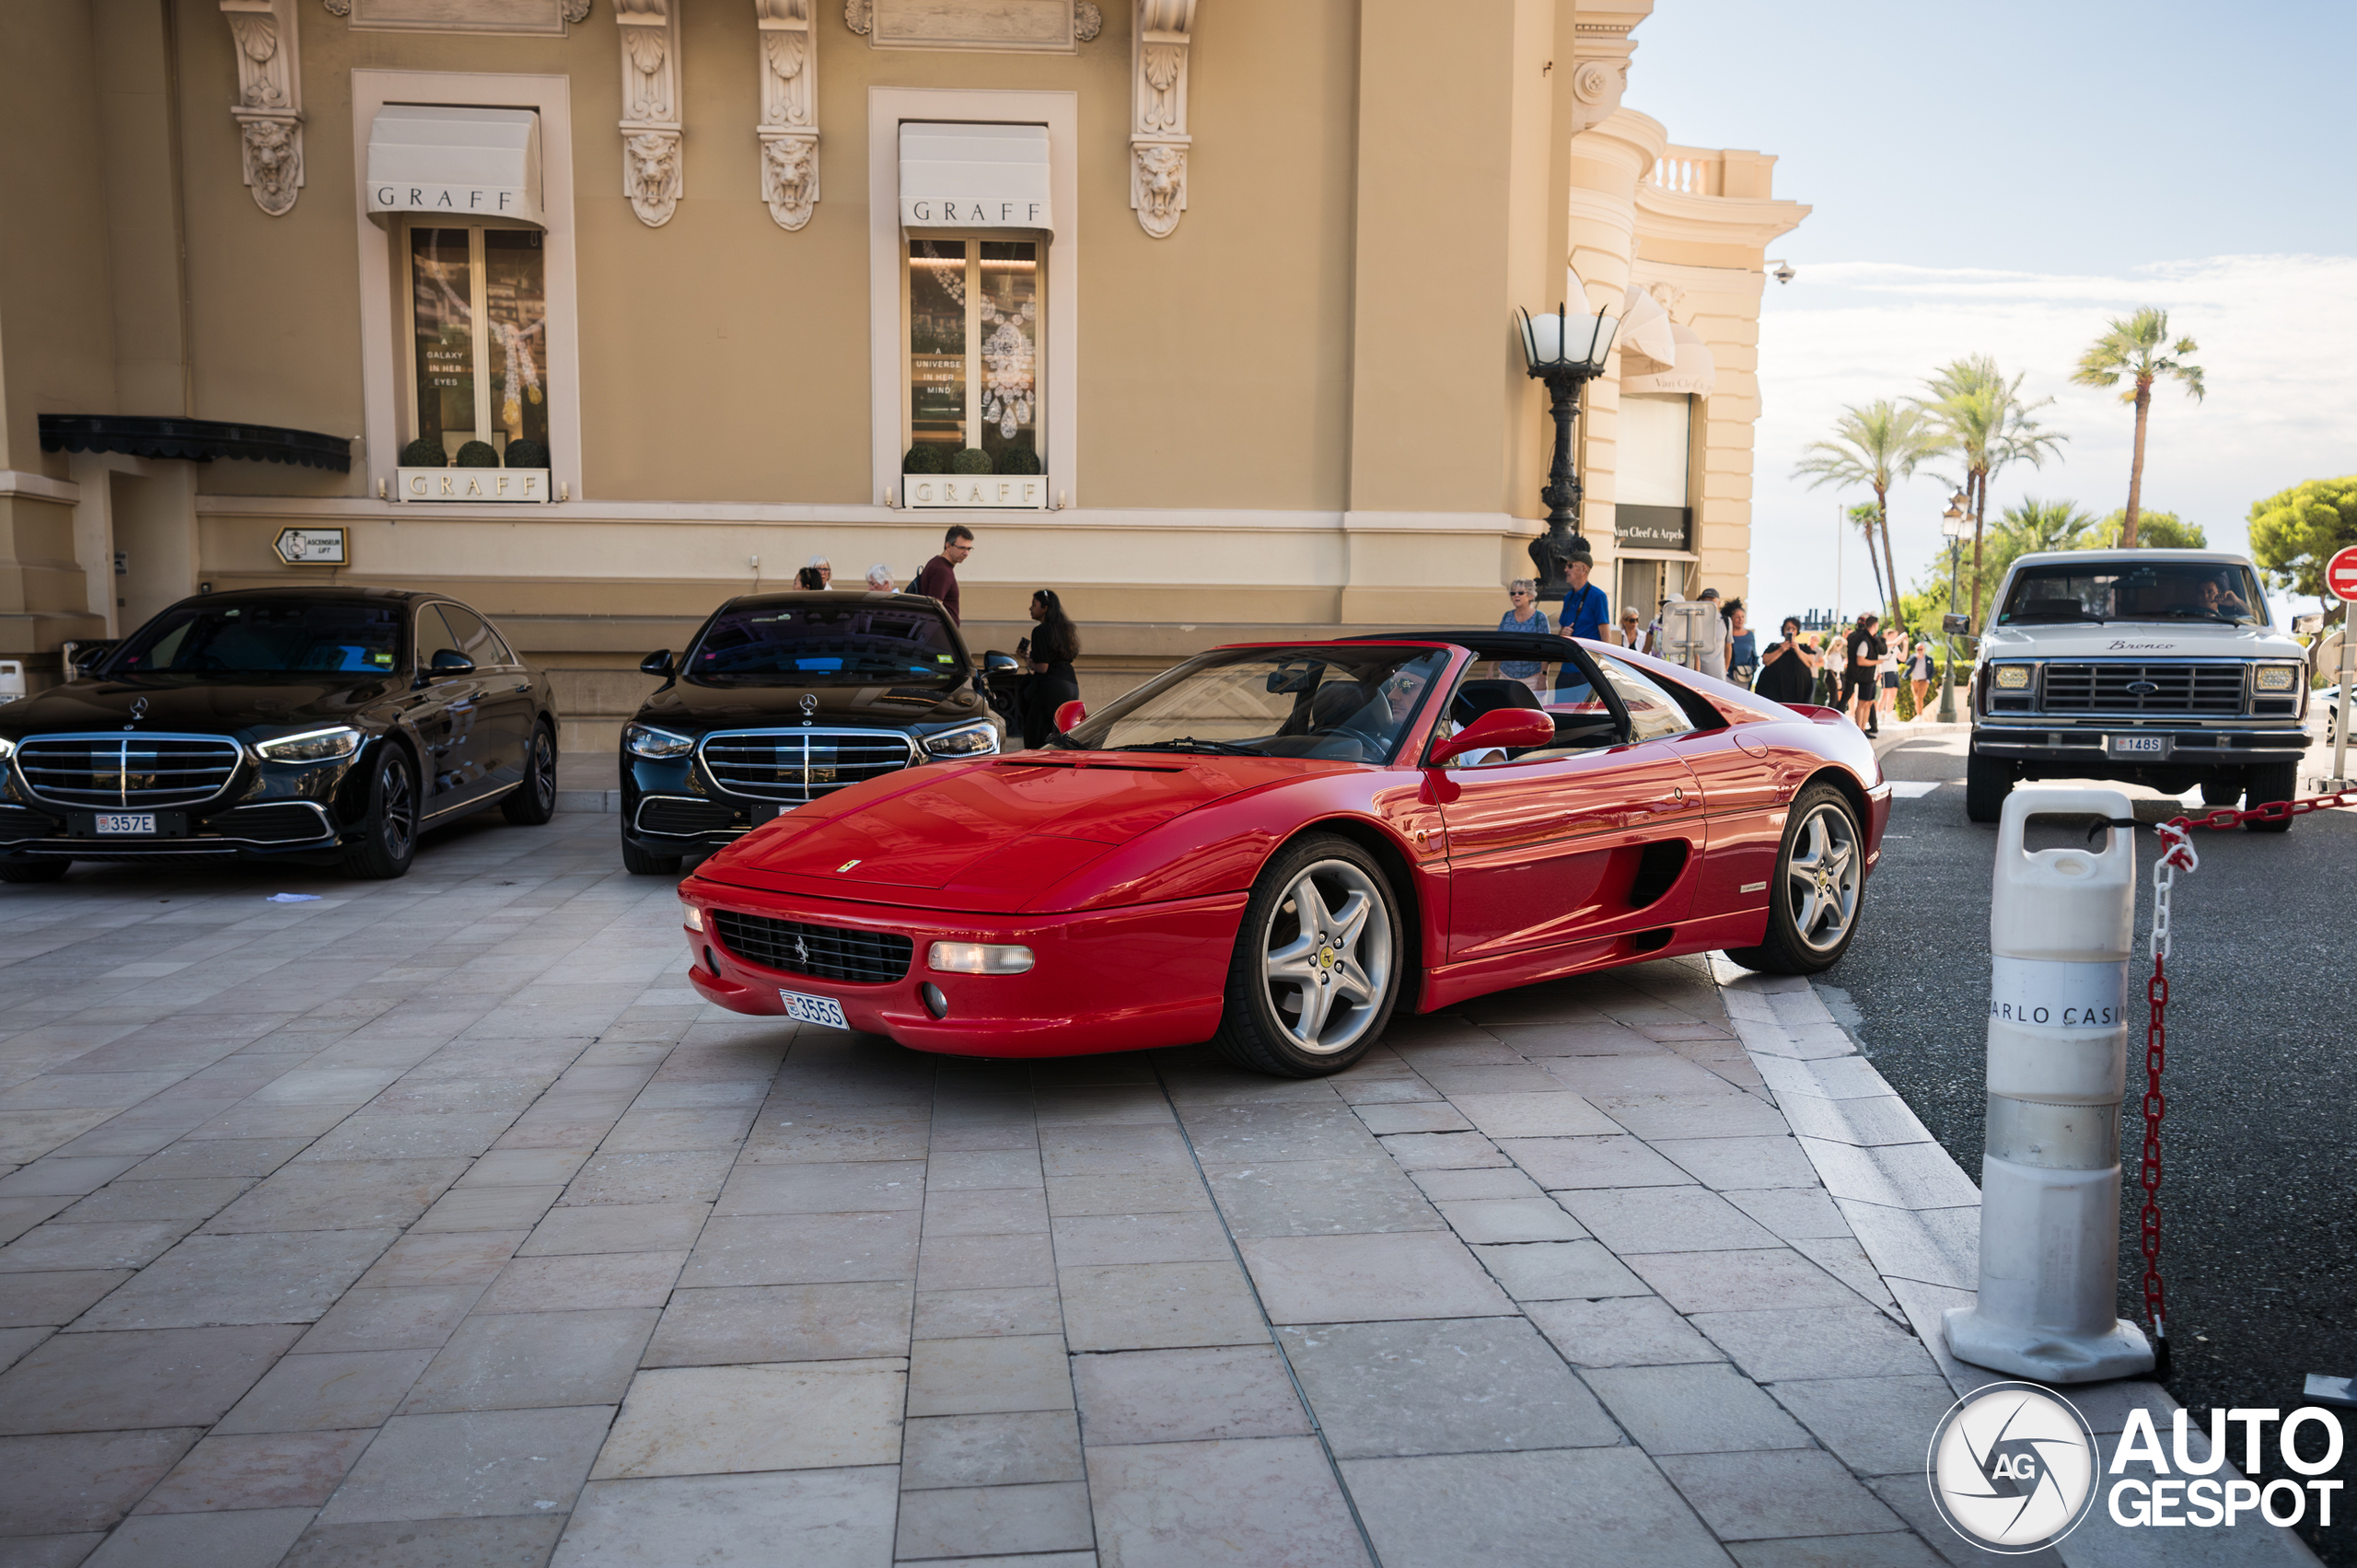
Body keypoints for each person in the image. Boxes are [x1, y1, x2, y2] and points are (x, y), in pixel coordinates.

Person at [1020, 589, 1081, 749]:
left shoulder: (1041, 630)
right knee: (1062, 733)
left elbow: (1042, 667)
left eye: (1034, 604)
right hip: (1071, 685)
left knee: (1038, 733)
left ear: (1045, 608)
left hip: (1051, 687)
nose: (1030, 608)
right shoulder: (1066, 629)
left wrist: (1026, 660)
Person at [912, 525, 973, 623]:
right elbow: (934, 610)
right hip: (941, 633)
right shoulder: (942, 571)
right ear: (948, 546)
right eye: (962, 548)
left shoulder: (936, 562)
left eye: (969, 549)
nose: (966, 553)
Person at [1754, 616, 1819, 704]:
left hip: (1798, 692)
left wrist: (1798, 651)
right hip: (1774, 692)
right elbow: (1766, 660)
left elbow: (1811, 662)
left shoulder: (1803, 647)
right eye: (1788, 628)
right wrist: (1782, 649)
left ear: (1797, 631)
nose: (1790, 631)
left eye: (1793, 629)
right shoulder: (1774, 646)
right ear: (1783, 630)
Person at [1842, 611, 1886, 736]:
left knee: (1868, 703)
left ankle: (1863, 729)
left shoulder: (1872, 640)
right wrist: (1878, 662)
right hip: (1863, 677)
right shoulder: (1863, 640)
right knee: (1861, 704)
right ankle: (1859, 730)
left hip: (1870, 676)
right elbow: (1860, 660)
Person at [1496, 580, 1549, 679]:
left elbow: (1545, 649)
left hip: (1532, 677)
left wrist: (1543, 676)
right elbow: (1497, 643)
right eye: (1513, 593)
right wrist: (1490, 670)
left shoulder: (1540, 618)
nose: (1516, 595)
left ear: (1530, 596)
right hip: (1506, 674)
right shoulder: (1507, 616)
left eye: (1520, 593)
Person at [1559, 551, 1609, 643]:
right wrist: (1562, 633)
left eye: (1570, 566)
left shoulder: (1598, 596)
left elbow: (1606, 638)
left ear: (1583, 569)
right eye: (1566, 566)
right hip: (1570, 653)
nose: (1565, 570)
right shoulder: (1568, 597)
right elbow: (1561, 630)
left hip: (1587, 655)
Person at [1693, 587, 1731, 679]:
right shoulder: (1694, 619)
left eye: (1712, 601)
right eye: (1705, 601)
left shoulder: (1726, 621)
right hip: (1697, 673)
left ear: (1719, 603)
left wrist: (1725, 669)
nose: (1708, 604)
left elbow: (1728, 646)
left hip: (1718, 675)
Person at [1725, 599, 1757, 687]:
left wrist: (1755, 666)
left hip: (1745, 677)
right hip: (1729, 677)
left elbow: (1754, 653)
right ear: (1731, 618)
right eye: (1737, 617)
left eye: (1743, 617)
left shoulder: (1750, 635)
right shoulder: (1726, 634)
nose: (1740, 620)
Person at [1907, 633, 1933, 715]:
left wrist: (1928, 680)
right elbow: (1907, 663)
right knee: (1916, 699)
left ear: (1924, 649)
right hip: (1914, 681)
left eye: (1921, 649)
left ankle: (1919, 714)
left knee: (1919, 697)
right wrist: (1915, 657)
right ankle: (1919, 714)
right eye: (1918, 649)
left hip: (1924, 681)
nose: (1919, 651)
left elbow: (1932, 670)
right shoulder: (1914, 658)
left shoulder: (1928, 659)